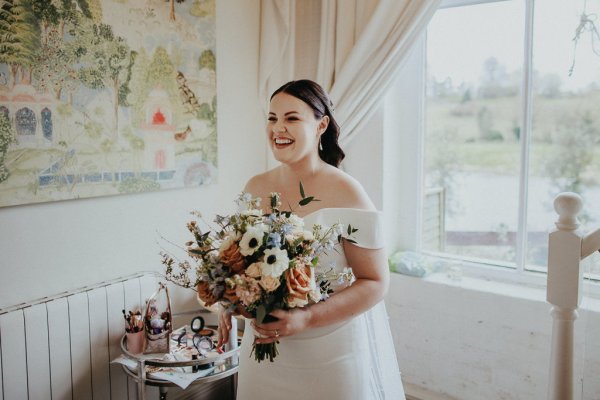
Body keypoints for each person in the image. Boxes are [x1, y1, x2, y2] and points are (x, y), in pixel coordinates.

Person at [218, 79, 405, 399]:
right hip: (263, 355)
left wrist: (306, 318)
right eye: (272, 118)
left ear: (321, 125)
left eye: (291, 118)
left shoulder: (347, 192)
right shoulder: (254, 187)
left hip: (329, 355)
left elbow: (375, 281)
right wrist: (227, 299)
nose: (278, 127)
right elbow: (236, 261)